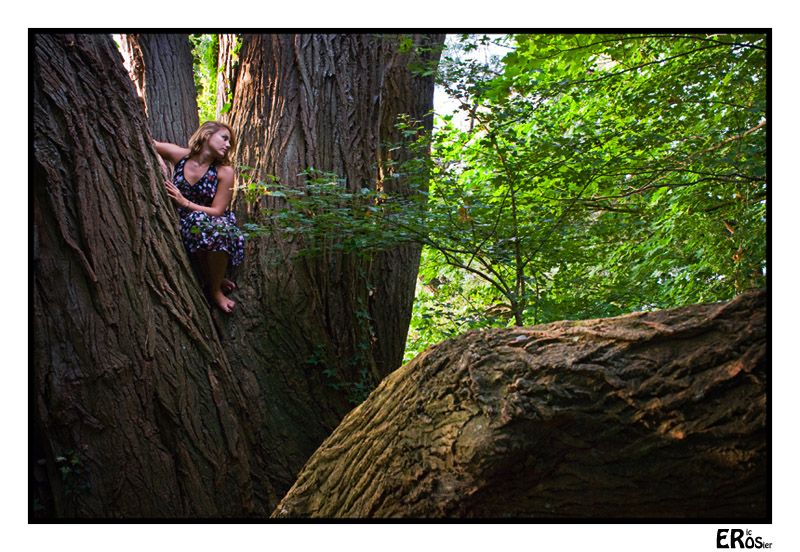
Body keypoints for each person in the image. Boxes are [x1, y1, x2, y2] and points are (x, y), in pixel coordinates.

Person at [154, 121, 245, 313]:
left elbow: (218, 211)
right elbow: (147, 142)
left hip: (210, 220)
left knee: (215, 228)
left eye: (230, 142)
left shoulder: (224, 172)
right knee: (196, 225)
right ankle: (214, 277)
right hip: (181, 222)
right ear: (206, 135)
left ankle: (215, 290)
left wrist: (185, 202)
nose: (228, 145)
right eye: (224, 138)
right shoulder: (180, 156)